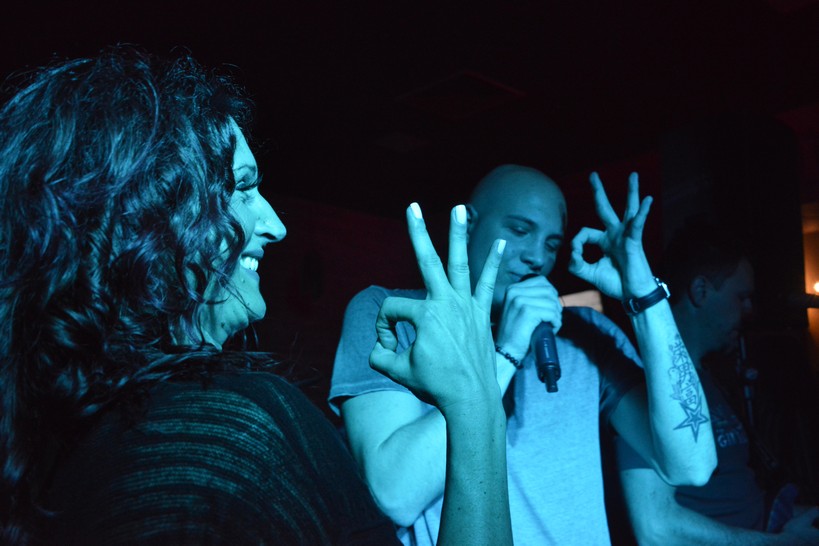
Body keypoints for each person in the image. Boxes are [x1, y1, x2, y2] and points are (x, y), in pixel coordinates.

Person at [0, 47, 512, 545]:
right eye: (243, 189)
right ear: (151, 214)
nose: (276, 225)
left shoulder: (63, 432)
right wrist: (476, 403)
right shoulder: (235, 429)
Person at [330, 164, 718, 545]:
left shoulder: (586, 332)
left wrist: (646, 295)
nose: (537, 257)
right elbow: (395, 494)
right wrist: (508, 351)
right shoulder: (393, 312)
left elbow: (691, 465)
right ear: (470, 224)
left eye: (552, 244)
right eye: (519, 230)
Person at [615, 223, 819, 545]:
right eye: (741, 297)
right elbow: (657, 528)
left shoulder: (712, 378)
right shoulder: (646, 384)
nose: (749, 310)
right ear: (701, 291)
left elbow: (741, 499)